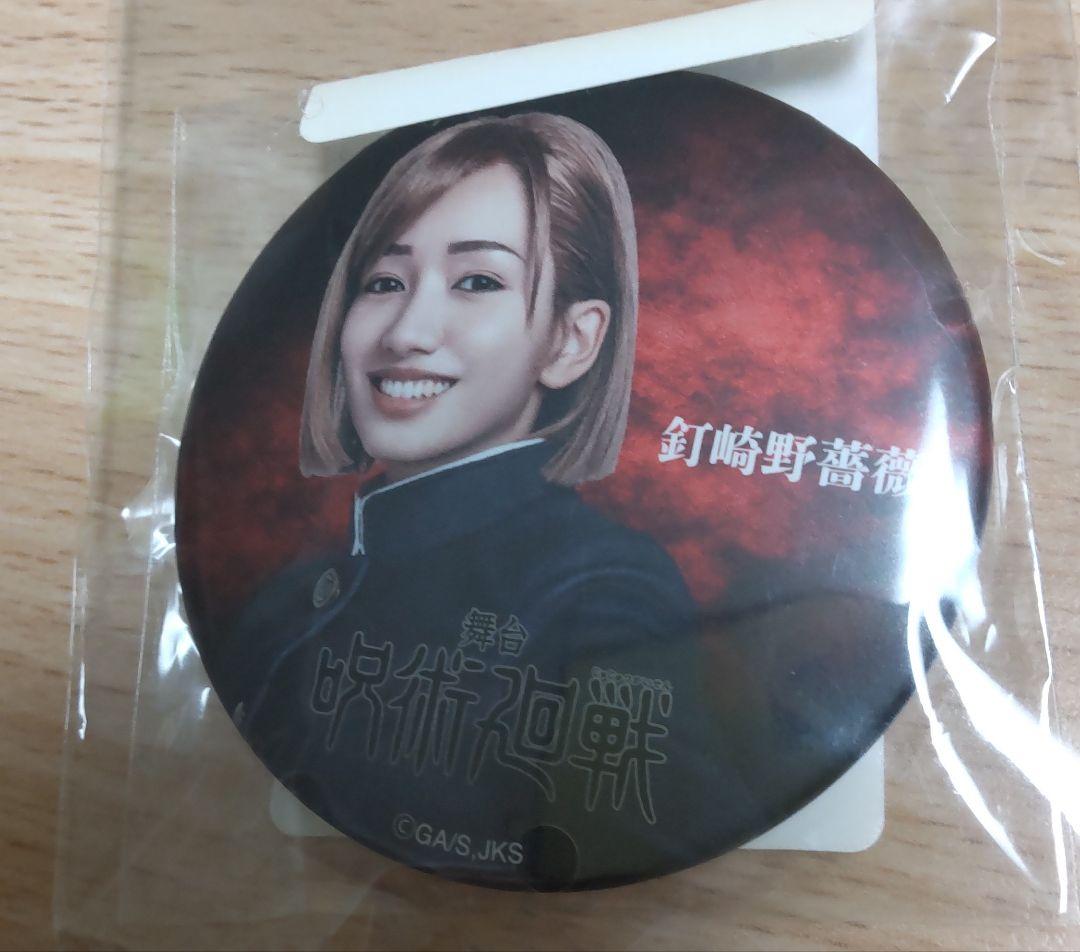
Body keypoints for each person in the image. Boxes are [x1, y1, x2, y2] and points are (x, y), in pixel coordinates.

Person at [213, 114, 721, 889]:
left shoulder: (605, 591)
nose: (407, 331)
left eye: (477, 281)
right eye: (384, 282)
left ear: (571, 341)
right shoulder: (292, 592)